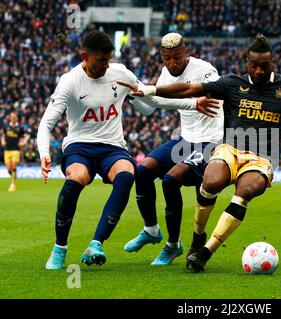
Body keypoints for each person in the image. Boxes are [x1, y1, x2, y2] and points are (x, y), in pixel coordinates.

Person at [118, 34, 281, 272]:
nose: (259, 71)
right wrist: (151, 89)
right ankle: (197, 236)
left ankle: (205, 251)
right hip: (229, 149)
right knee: (210, 183)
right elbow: (189, 88)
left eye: (265, 65)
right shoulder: (231, 83)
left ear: (273, 63)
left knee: (244, 192)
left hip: (261, 157)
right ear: (246, 64)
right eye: (254, 65)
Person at [37, 30, 218, 270]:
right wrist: (44, 152)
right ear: (85, 56)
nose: (106, 66)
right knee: (79, 177)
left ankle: (96, 244)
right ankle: (60, 247)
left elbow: (151, 101)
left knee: (128, 174)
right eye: (101, 60)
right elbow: (46, 123)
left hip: (114, 147)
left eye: (108, 59)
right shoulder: (69, 81)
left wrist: (190, 102)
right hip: (80, 145)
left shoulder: (120, 72)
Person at [122, 32, 224, 266]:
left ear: (186, 52)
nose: (172, 63)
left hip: (210, 142)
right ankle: (151, 229)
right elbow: (151, 108)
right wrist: (134, 97)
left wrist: (154, 93)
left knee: (170, 180)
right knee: (143, 170)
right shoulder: (166, 74)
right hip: (185, 140)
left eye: (177, 57)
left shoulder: (205, 68)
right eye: (167, 58)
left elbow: (205, 93)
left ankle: (172, 245)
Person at [1, 111, 30, 192]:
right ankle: (13, 177)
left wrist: (24, 142)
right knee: (8, 168)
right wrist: (3, 140)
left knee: (13, 166)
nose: (12, 118)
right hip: (7, 150)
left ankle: (13, 184)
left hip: (16, 150)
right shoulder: (6, 126)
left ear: (16, 118)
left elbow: (27, 135)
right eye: (11, 117)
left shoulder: (20, 127)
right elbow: (3, 134)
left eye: (14, 117)